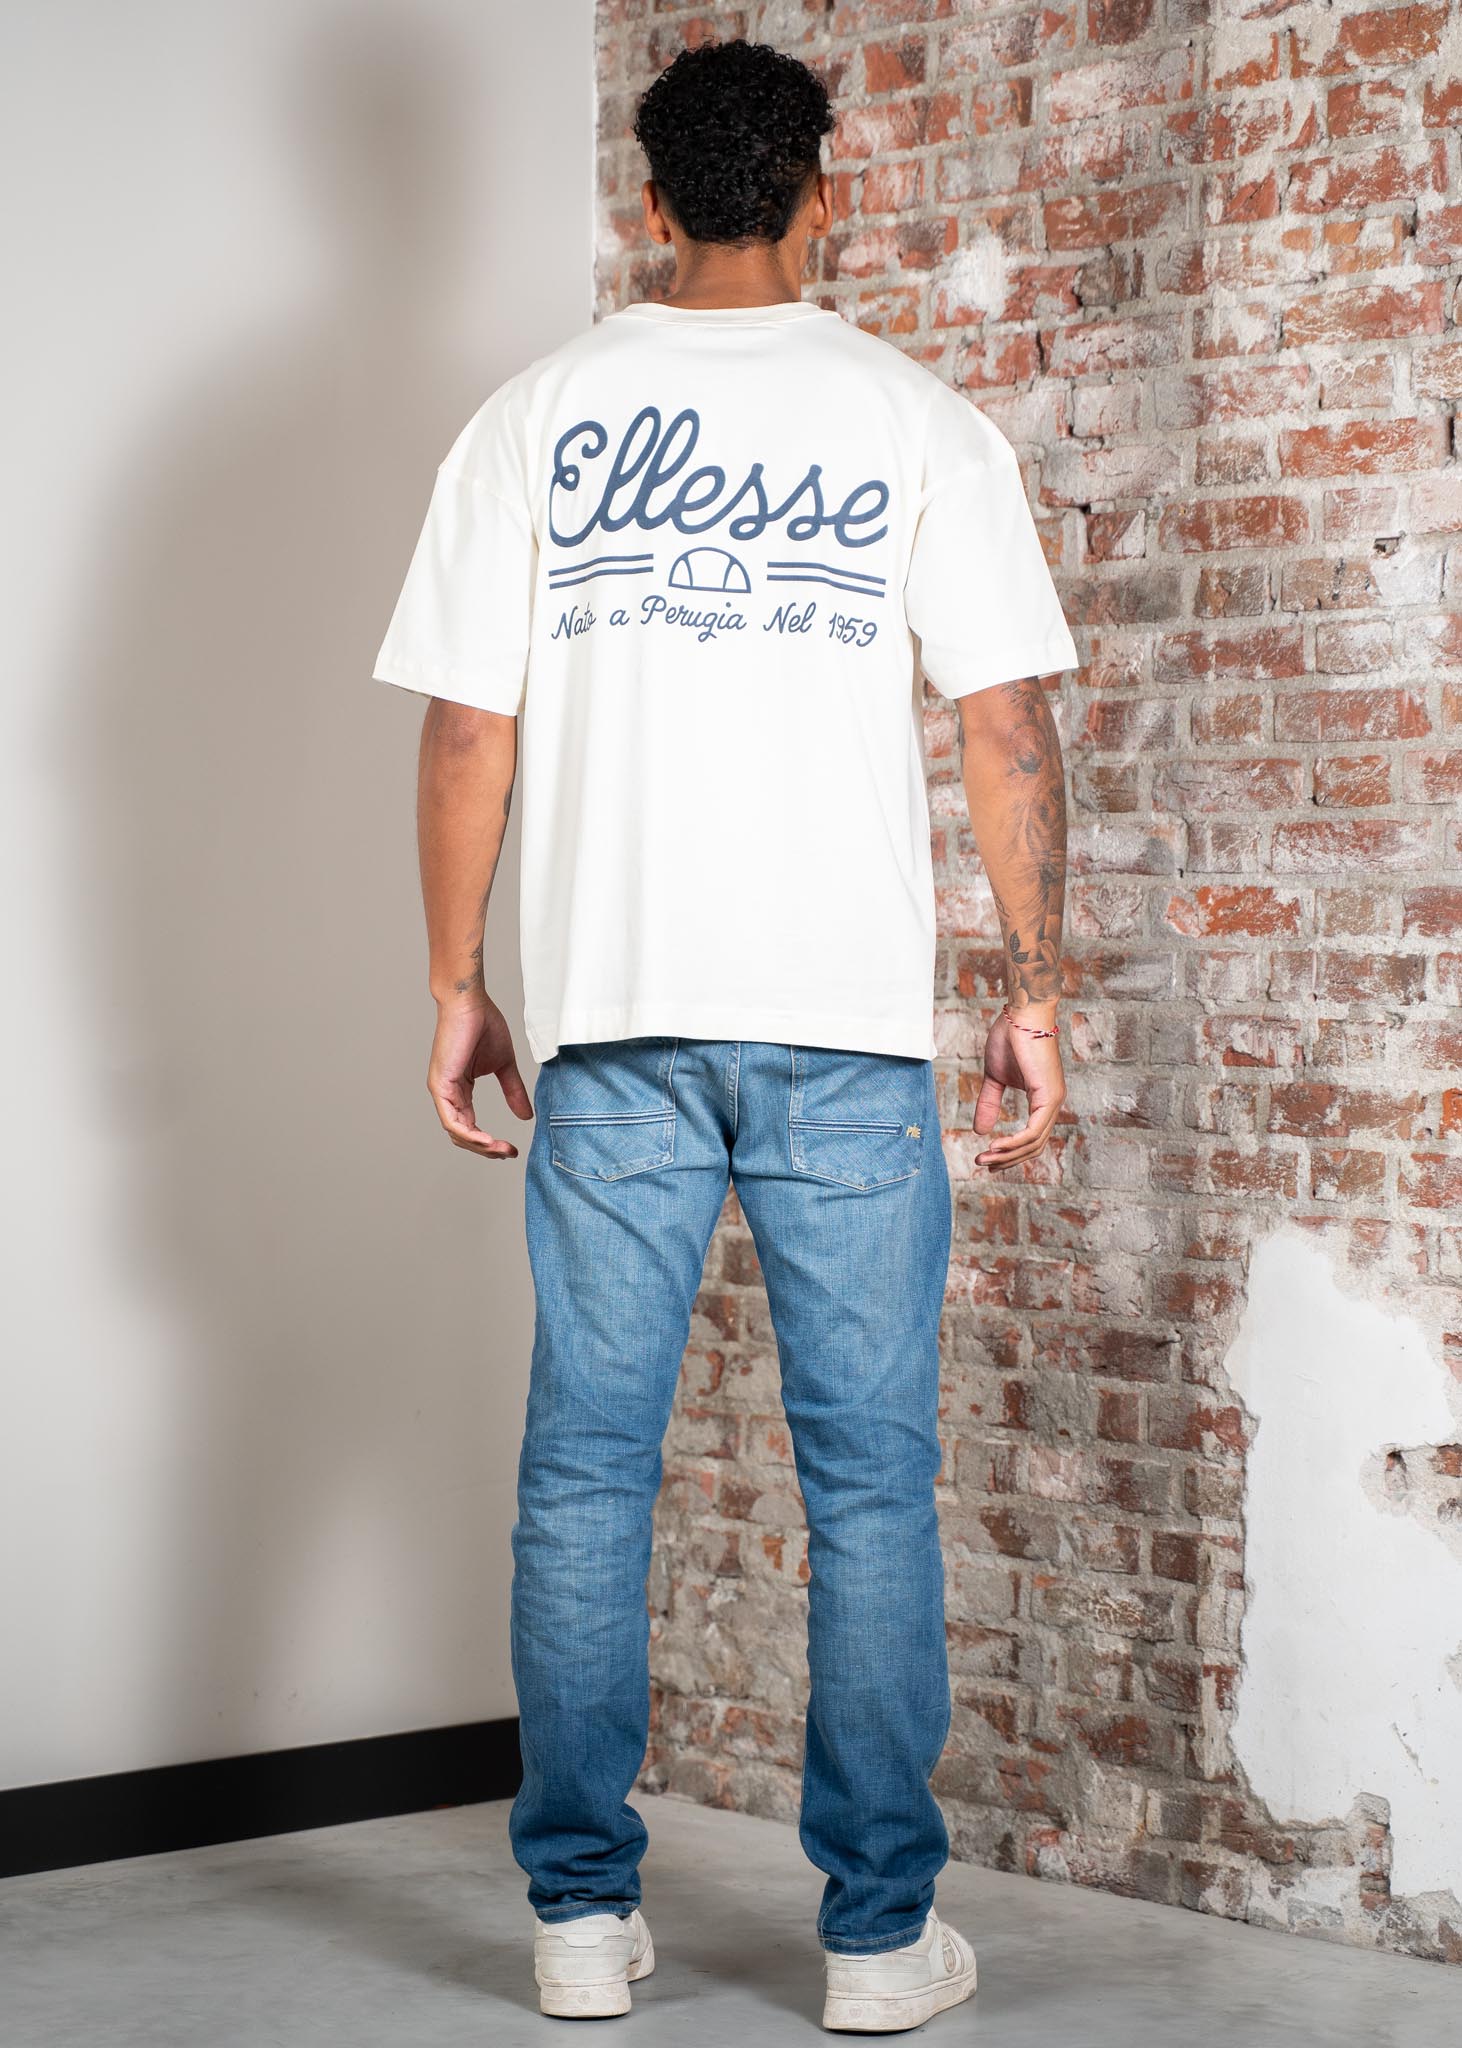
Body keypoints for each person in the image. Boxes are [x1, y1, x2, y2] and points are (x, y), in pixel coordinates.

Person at [372, 36, 1077, 2034]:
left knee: (586, 1480)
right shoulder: (916, 420)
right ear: (823, 195)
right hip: (845, 1033)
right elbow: (1007, 726)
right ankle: (875, 1940)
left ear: (651, 204)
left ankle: (580, 1923)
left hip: (615, 1028)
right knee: (869, 1487)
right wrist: (1032, 991)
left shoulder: (534, 416)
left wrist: (455, 980)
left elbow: (466, 732)